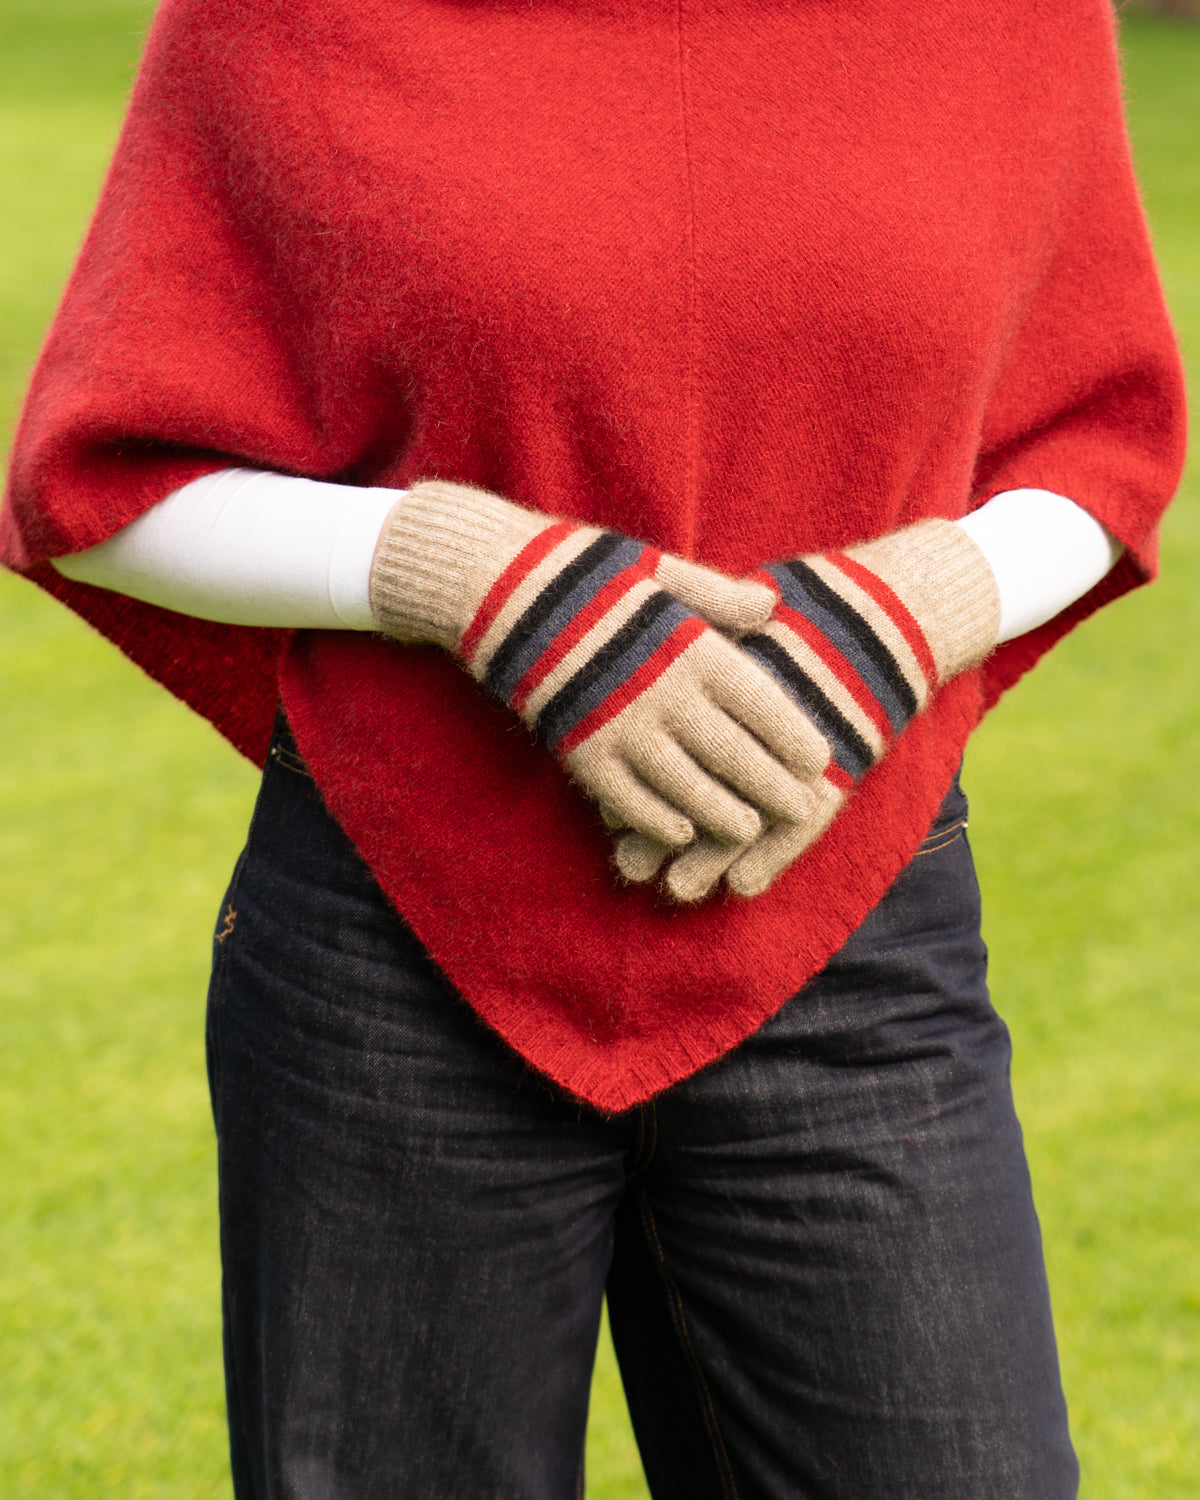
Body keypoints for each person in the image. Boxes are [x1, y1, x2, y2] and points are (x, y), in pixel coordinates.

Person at [1, 0, 1185, 1495]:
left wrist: (907, 614)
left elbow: (1098, 440)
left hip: (853, 932)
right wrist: (479, 581)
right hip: (398, 941)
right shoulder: (280, 20)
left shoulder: (1006, 24)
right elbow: (108, 480)